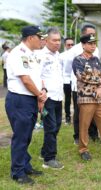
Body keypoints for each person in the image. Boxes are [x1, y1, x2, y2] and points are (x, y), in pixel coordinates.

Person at [5, 25, 47, 185]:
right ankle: (17, 172)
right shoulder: (17, 53)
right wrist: (39, 94)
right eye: (39, 37)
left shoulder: (32, 54)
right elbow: (26, 80)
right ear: (30, 38)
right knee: (21, 137)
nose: (42, 40)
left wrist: (42, 91)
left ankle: (25, 165)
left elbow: (36, 77)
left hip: (30, 99)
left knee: (27, 135)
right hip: (19, 100)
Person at [62, 24, 100, 144]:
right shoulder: (74, 50)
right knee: (79, 113)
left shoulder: (96, 48)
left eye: (94, 34)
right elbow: (67, 68)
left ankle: (94, 135)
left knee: (94, 110)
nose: (92, 36)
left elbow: (98, 66)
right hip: (79, 87)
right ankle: (77, 137)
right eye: (90, 34)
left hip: (94, 86)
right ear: (83, 34)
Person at [39, 27, 64, 169]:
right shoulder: (40, 55)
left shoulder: (58, 55)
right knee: (51, 127)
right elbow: (38, 76)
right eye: (54, 40)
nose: (57, 43)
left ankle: (44, 152)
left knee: (57, 126)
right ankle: (49, 159)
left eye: (59, 40)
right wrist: (40, 97)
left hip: (58, 96)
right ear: (46, 40)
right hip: (47, 98)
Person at [61, 37, 75, 124]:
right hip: (66, 79)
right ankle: (67, 117)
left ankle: (77, 117)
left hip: (75, 79)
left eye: (72, 44)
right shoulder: (62, 55)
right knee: (67, 99)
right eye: (68, 45)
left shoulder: (77, 54)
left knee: (77, 99)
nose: (70, 46)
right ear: (65, 45)